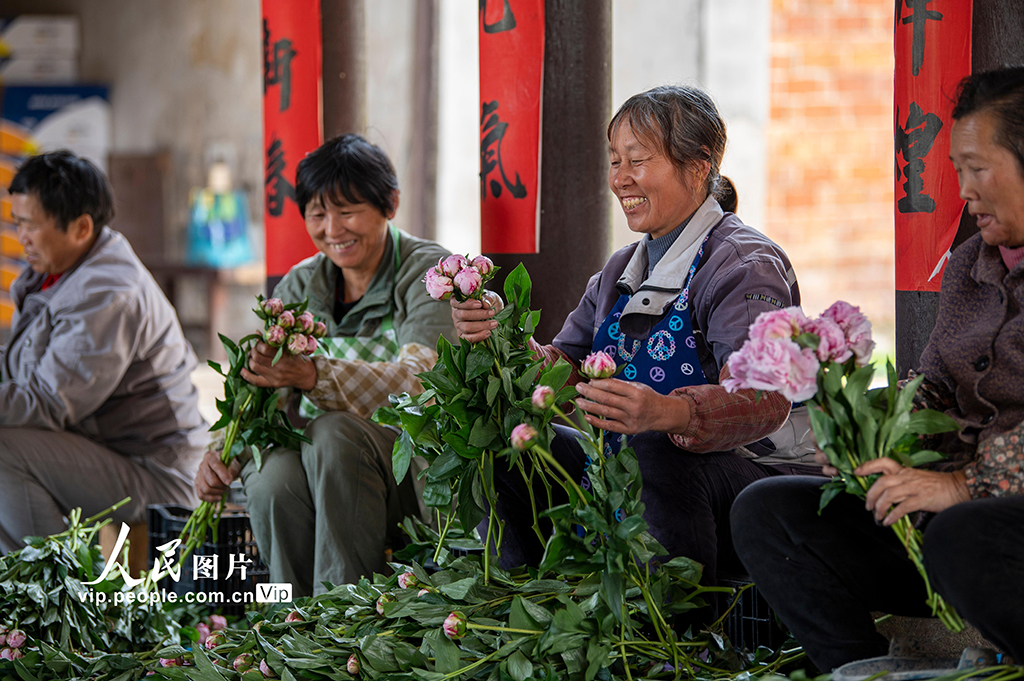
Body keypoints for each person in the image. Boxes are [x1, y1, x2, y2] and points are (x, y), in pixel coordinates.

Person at [452, 85, 811, 585]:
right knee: (516, 443)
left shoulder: (744, 264)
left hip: (752, 492)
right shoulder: (622, 267)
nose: (620, 179)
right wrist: (499, 332)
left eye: (637, 161)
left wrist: (669, 412)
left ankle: (676, 645)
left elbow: (765, 398)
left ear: (698, 165)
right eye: (614, 161)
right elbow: (560, 371)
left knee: (653, 445)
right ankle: (528, 608)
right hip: (624, 481)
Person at [731, 66, 1024, 670]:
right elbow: (936, 386)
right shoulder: (972, 264)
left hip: (991, 534)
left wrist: (964, 487)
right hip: (946, 528)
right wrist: (871, 439)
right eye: (956, 169)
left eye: (978, 167)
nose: (963, 189)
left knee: (962, 535)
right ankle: (858, 667)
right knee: (768, 512)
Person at [195, 134, 455, 597]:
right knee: (271, 474)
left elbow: (421, 381)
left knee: (333, 432)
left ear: (390, 204)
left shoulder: (427, 273)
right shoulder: (302, 283)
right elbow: (257, 390)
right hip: (323, 472)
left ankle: (342, 617)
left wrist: (315, 376)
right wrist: (219, 452)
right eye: (317, 214)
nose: (333, 228)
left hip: (413, 480)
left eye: (348, 210)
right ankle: (289, 629)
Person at [0, 150, 207, 553]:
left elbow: (44, 403)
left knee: (4, 449)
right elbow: (21, 370)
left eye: (30, 225)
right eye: (17, 222)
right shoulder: (59, 271)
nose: (20, 236)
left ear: (80, 228)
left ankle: (49, 597)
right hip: (107, 452)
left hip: (158, 474)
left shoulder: (106, 293)